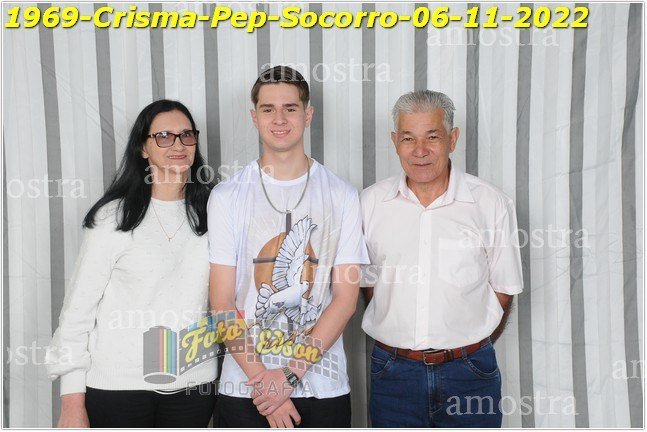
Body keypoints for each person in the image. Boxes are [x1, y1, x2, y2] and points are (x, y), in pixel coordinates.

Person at [208, 65, 369, 428]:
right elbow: (221, 303)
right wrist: (266, 383)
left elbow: (345, 299)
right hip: (245, 387)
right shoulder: (226, 196)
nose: (279, 119)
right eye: (268, 109)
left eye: (290, 108)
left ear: (308, 114)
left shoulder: (342, 194)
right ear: (254, 117)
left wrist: (289, 375)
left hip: (322, 386)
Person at [45, 100, 217, 428]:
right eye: (164, 136)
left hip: (194, 386)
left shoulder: (215, 212)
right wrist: (71, 401)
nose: (178, 145)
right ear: (143, 148)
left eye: (186, 135)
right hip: (117, 388)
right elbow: (78, 311)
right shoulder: (113, 218)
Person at [360, 90, 523, 427]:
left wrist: (466, 347)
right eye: (408, 138)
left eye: (432, 137)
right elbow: (367, 284)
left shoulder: (490, 203)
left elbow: (504, 288)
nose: (420, 150)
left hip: (471, 374)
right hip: (393, 375)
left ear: (453, 139)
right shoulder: (369, 204)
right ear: (395, 141)